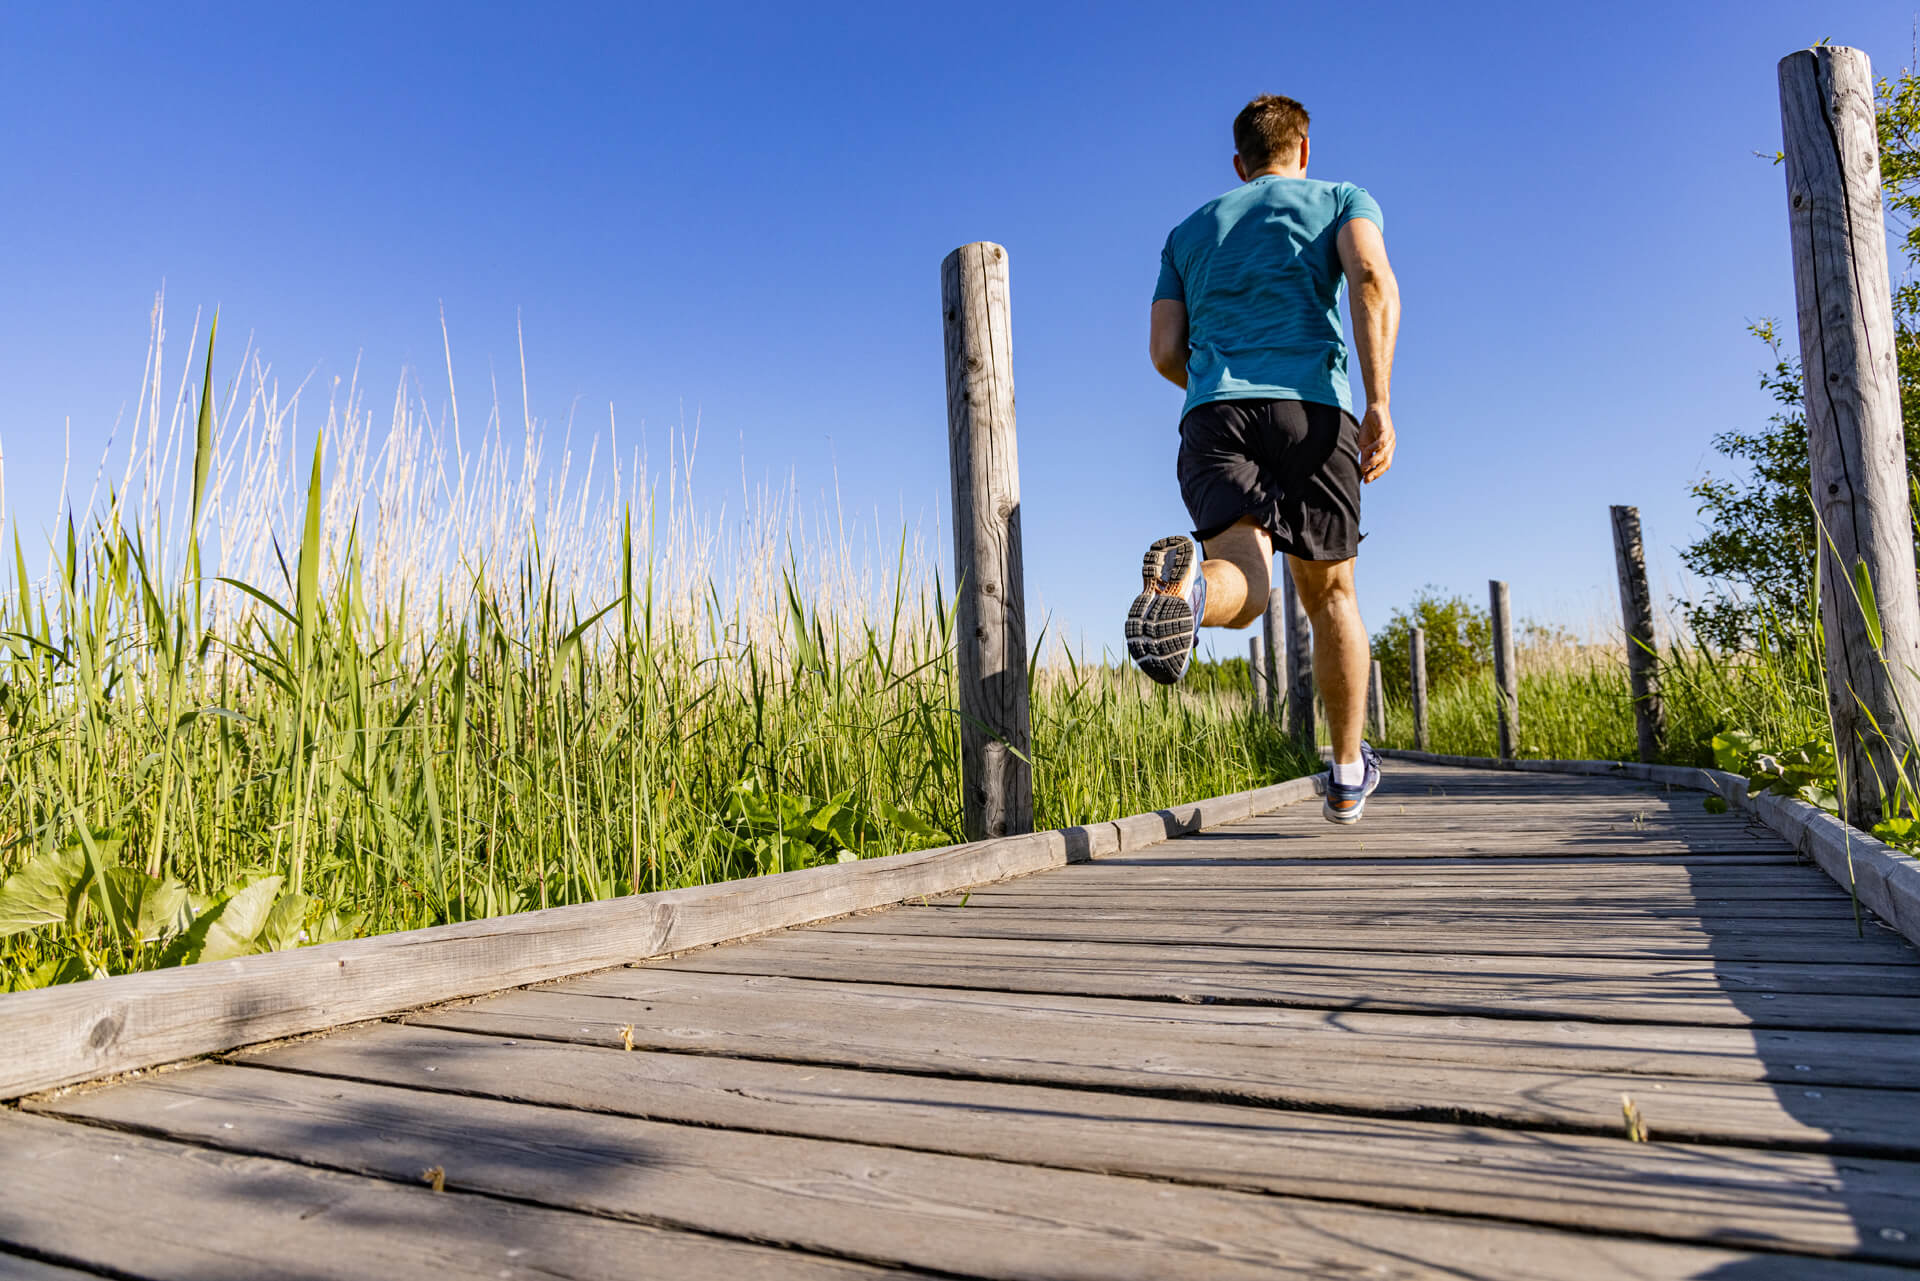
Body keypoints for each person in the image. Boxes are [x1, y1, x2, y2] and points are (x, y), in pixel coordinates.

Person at [1125, 93, 1401, 824]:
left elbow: (1163, 351)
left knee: (1244, 585)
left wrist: (1218, 383)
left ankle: (1185, 595)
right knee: (1330, 597)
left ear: (1240, 164)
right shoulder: (1340, 199)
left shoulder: (1187, 232)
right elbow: (1370, 279)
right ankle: (1346, 771)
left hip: (1212, 412)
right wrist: (1378, 402)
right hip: (1311, 410)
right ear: (1303, 151)